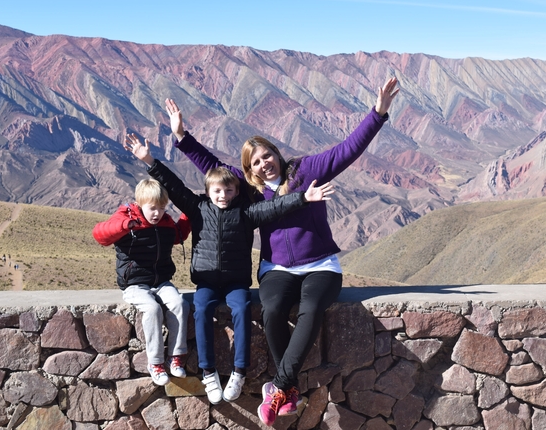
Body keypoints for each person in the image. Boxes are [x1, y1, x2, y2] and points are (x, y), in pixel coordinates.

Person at [165, 76, 400, 424]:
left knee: (311, 308)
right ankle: (287, 391)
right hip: (276, 267)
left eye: (267, 155)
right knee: (273, 309)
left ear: (276, 153)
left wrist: (377, 113)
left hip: (320, 265)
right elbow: (208, 164)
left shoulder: (306, 171)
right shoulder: (248, 190)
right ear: (248, 170)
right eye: (255, 162)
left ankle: (279, 387)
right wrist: (182, 136)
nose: (264, 164)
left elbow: (348, 149)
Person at [124, 133, 335, 405]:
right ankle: (208, 373)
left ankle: (239, 372)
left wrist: (303, 198)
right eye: (217, 191)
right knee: (201, 310)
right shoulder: (197, 208)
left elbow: (276, 206)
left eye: (229, 190)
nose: (223, 196)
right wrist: (149, 160)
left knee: (243, 309)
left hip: (237, 283)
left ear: (237, 191)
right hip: (206, 283)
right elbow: (173, 186)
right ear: (207, 191)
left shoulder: (246, 213)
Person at [92, 178, 191, 386]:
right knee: (152, 309)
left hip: (161, 280)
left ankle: (176, 357)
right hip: (134, 283)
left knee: (180, 304)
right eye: (152, 208)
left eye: (162, 208)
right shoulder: (126, 217)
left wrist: (188, 215)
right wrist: (123, 226)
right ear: (140, 204)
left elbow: (178, 235)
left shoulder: (164, 222)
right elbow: (100, 234)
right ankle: (155, 363)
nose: (157, 213)